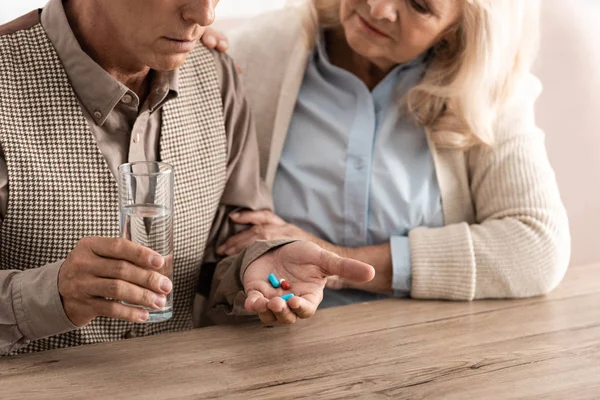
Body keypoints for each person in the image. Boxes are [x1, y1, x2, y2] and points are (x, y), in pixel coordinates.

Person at [0, 0, 375, 355]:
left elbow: (223, 252)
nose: (205, 14)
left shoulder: (218, 75)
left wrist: (254, 270)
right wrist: (52, 294)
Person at [202, 0, 571, 310]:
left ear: (457, 28)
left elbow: (537, 247)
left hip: (430, 354)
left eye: (419, 5)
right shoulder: (253, 53)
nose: (379, 8)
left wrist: (333, 259)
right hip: (266, 344)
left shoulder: (488, 88)